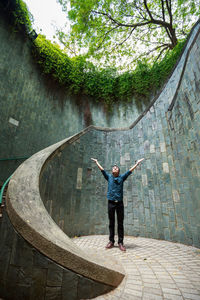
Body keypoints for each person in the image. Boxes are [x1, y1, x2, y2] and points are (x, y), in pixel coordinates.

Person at [91, 157, 144, 251]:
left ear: (118, 171)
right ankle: (111, 241)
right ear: (112, 171)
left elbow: (129, 171)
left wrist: (137, 163)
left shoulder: (122, 177)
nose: (114, 168)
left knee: (120, 223)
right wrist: (96, 162)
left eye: (116, 168)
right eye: (113, 168)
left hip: (119, 204)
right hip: (111, 203)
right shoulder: (109, 177)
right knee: (111, 223)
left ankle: (120, 242)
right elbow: (102, 170)